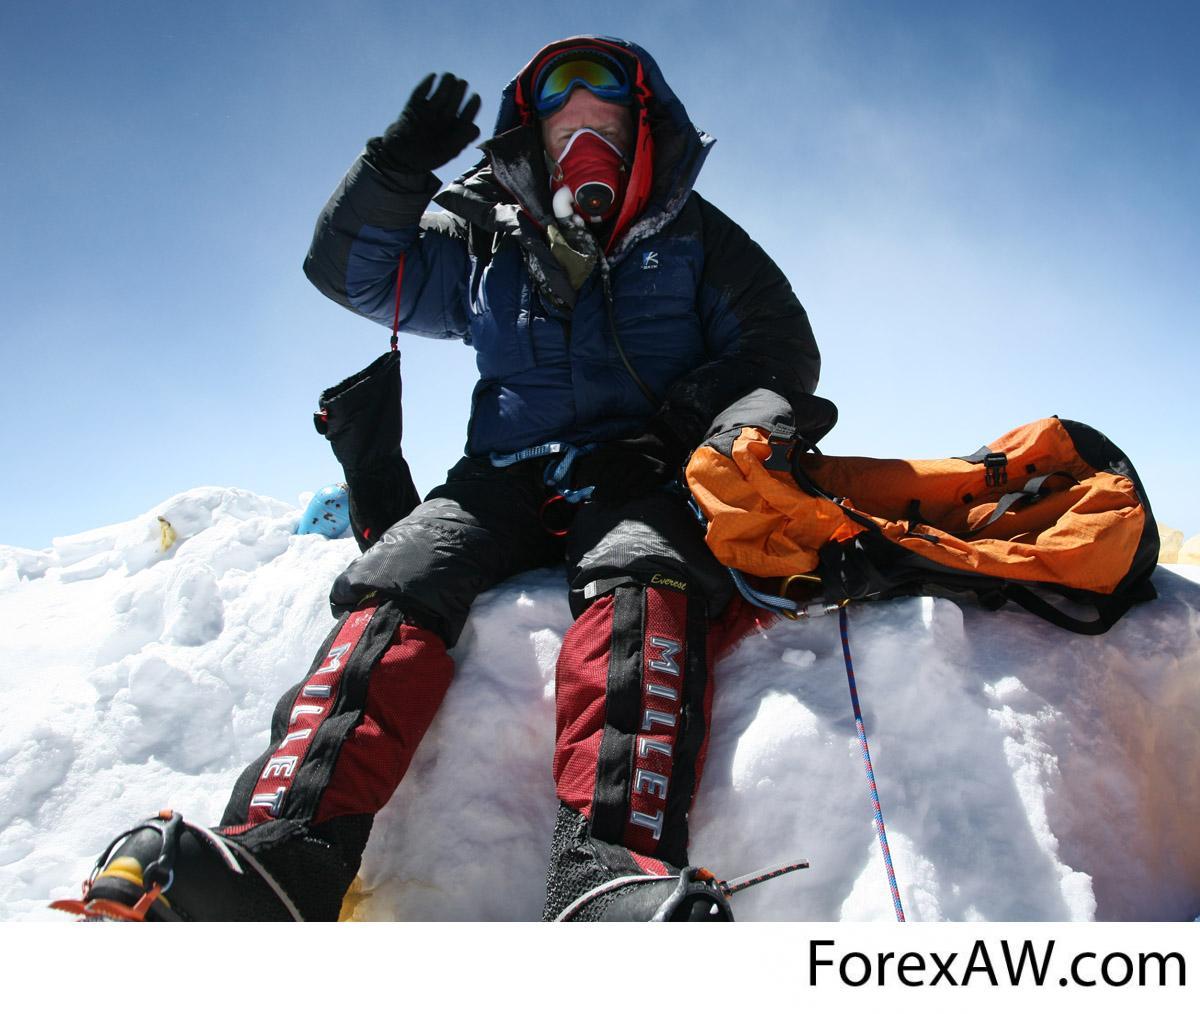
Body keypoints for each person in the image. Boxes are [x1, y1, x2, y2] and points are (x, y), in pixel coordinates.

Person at [70, 35, 822, 922]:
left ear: (643, 127)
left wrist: (676, 432)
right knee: (399, 576)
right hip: (500, 475)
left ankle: (610, 873)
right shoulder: (482, 231)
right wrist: (393, 170)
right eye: (560, 120)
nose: (581, 135)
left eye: (604, 115)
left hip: (639, 468)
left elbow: (779, 351)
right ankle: (276, 857)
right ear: (533, 142)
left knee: (643, 572)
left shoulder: (698, 237)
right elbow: (351, 272)